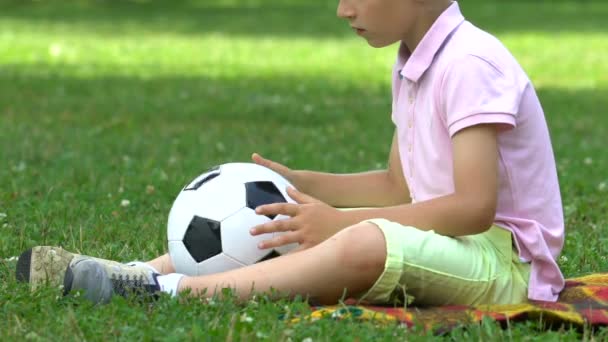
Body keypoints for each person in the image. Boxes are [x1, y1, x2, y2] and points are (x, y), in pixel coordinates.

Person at [16, 0, 565, 306]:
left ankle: (174, 293)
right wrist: (302, 183)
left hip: (504, 263)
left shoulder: (471, 63)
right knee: (280, 218)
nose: (341, 9)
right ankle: (128, 273)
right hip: (446, 237)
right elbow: (400, 186)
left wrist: (339, 223)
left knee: (362, 242)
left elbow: (472, 208)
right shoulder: (413, 60)